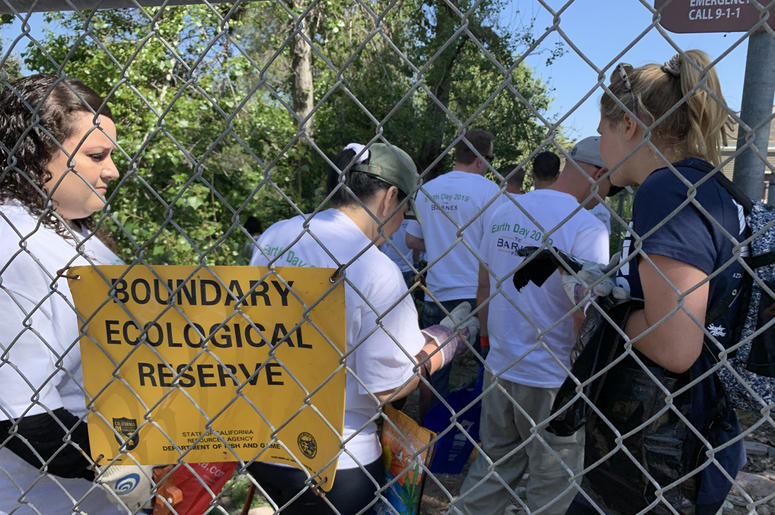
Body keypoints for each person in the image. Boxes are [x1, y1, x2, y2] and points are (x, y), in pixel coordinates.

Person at [248, 142, 476, 514]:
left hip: (264, 442)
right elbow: (387, 386)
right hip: (338, 458)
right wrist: (439, 347)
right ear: (388, 199)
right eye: (404, 208)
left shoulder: (278, 235)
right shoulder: (375, 268)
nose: (401, 220)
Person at [567, 50, 746, 513]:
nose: (601, 143)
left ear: (629, 123)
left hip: (656, 445)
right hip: (683, 429)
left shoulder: (666, 189)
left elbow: (674, 343)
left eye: (603, 129)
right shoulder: (713, 186)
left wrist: (601, 313)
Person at [0, 74, 150, 513]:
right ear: (38, 153)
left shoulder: (67, 231)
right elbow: (18, 411)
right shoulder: (11, 241)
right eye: (96, 155)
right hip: (40, 500)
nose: (113, 170)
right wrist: (116, 463)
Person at [451, 137, 611, 515]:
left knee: (495, 468)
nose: (608, 197)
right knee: (553, 484)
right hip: (554, 379)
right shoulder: (588, 228)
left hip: (501, 365)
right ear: (598, 173)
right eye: (612, 186)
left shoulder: (504, 211)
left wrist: (490, 343)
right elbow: (582, 312)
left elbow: (484, 284)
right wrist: (584, 380)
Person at [405, 129, 500, 400]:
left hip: (436, 292)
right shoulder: (491, 191)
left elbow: (412, 240)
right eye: (491, 158)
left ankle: (431, 432)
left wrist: (440, 243)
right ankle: (477, 431)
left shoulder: (427, 190)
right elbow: (497, 244)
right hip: (477, 294)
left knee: (434, 371)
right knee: (484, 366)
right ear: (481, 160)